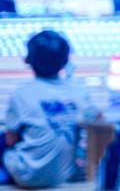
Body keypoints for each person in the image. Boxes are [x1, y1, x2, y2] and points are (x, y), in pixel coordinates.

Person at [3, 31, 99, 188]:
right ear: (65, 61)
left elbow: (10, 140)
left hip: (27, 177)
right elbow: (95, 117)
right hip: (64, 174)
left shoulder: (21, 94)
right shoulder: (78, 91)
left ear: (29, 60)